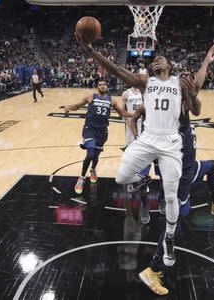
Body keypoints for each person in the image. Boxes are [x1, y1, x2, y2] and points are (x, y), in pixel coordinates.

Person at [76, 32, 200, 269]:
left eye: (160, 58)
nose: (156, 60)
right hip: (147, 138)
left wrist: (194, 91)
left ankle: (170, 238)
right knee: (121, 177)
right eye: (154, 59)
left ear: (170, 66)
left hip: (171, 143)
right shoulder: (146, 82)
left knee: (172, 195)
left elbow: (195, 110)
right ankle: (141, 182)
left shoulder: (178, 82)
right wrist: (90, 51)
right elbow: (117, 71)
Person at [139, 158, 214, 295]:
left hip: (186, 169)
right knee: (174, 227)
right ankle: (153, 269)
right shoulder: (170, 139)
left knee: (212, 165)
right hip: (182, 175)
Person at [64, 80, 132, 194]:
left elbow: (122, 113)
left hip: (102, 132)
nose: (102, 86)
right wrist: (68, 107)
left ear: (107, 87)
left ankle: (93, 169)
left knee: (95, 156)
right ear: (97, 87)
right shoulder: (91, 97)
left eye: (104, 84)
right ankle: (81, 178)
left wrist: (136, 114)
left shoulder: (112, 100)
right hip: (89, 130)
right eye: (100, 84)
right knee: (90, 154)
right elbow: (77, 106)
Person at [121, 85, 151, 224]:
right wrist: (132, 118)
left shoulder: (147, 93)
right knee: (132, 161)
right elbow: (122, 111)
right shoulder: (126, 93)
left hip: (147, 129)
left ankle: (146, 204)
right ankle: (137, 182)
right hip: (132, 127)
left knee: (145, 163)